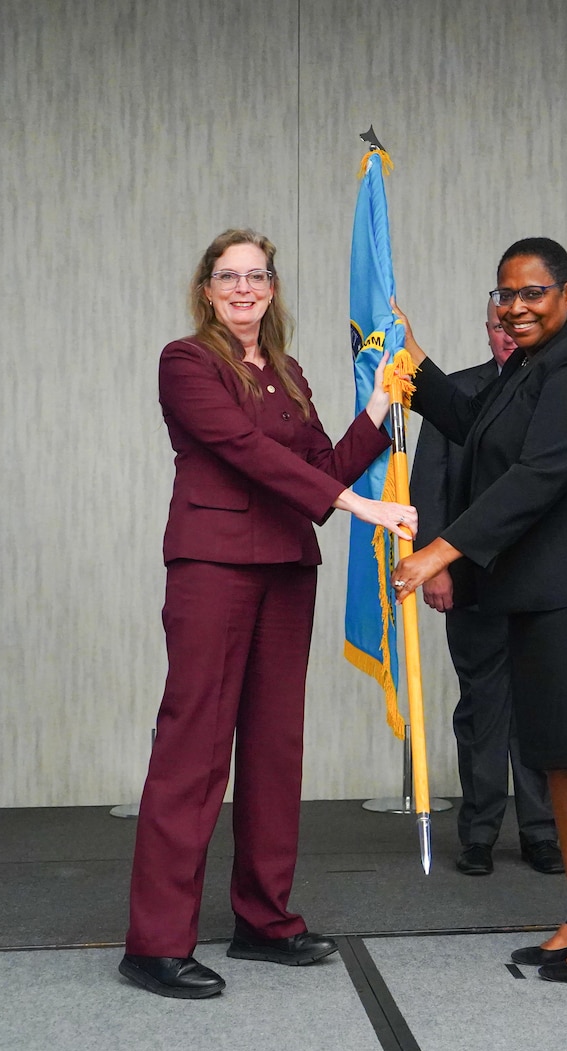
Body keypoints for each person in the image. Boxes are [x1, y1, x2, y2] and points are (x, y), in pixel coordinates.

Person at [121, 228, 417, 1000]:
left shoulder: (287, 373)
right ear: (207, 289)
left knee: (275, 752)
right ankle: (154, 944)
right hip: (213, 570)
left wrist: (380, 402)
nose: (244, 288)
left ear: (274, 288)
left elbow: (316, 467)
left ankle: (263, 920)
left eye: (258, 276)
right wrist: (358, 506)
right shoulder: (185, 363)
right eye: (229, 276)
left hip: (286, 570)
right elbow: (246, 452)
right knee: (194, 751)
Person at [391, 238, 567, 983]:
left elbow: (539, 474)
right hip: (544, 591)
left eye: (533, 294)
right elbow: (473, 422)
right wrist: (414, 364)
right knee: (559, 757)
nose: (514, 308)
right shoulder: (529, 370)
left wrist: (440, 550)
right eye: (504, 295)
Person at [408, 301, 561, 877]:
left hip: (538, 581)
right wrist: (436, 566)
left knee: (537, 709)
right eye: (496, 326)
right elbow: (432, 485)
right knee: (482, 708)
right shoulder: (459, 392)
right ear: (486, 330)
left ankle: (541, 832)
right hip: (469, 579)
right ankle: (477, 834)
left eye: (514, 326)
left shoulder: (553, 391)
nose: (505, 335)